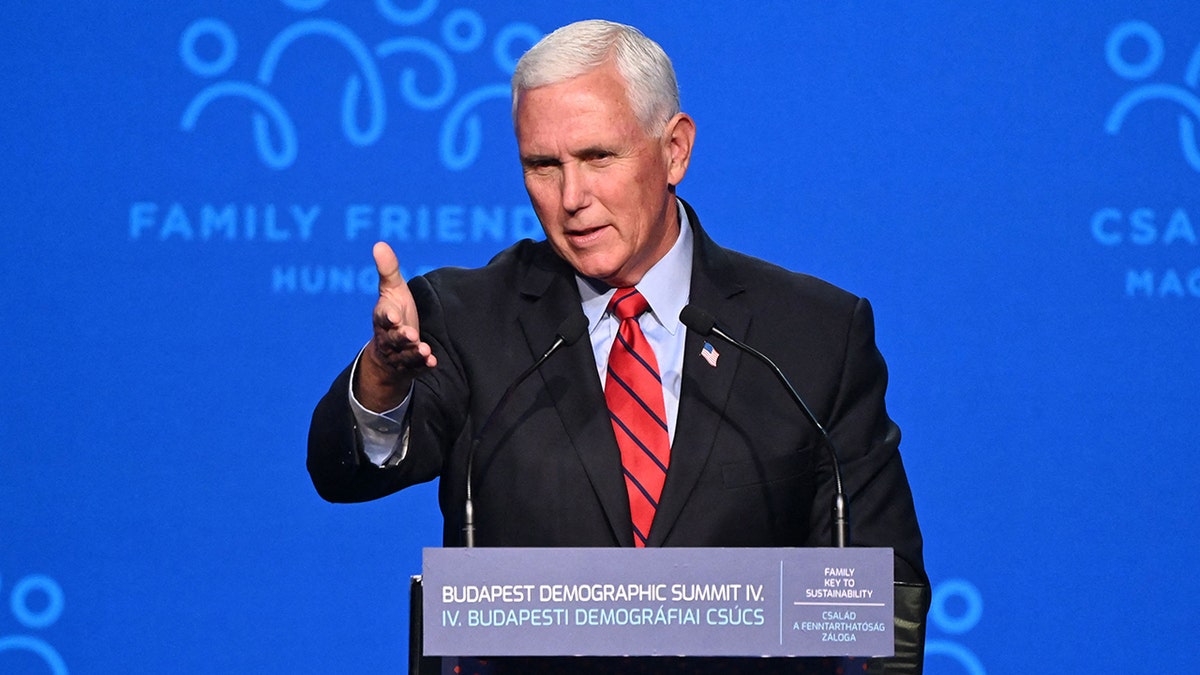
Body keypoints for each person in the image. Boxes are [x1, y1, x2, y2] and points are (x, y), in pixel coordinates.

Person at [309, 19, 928, 674]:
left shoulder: (811, 333)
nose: (572, 198)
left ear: (675, 150)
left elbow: (880, 590)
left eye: (598, 157)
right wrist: (382, 380)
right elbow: (345, 473)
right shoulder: (470, 318)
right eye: (544, 166)